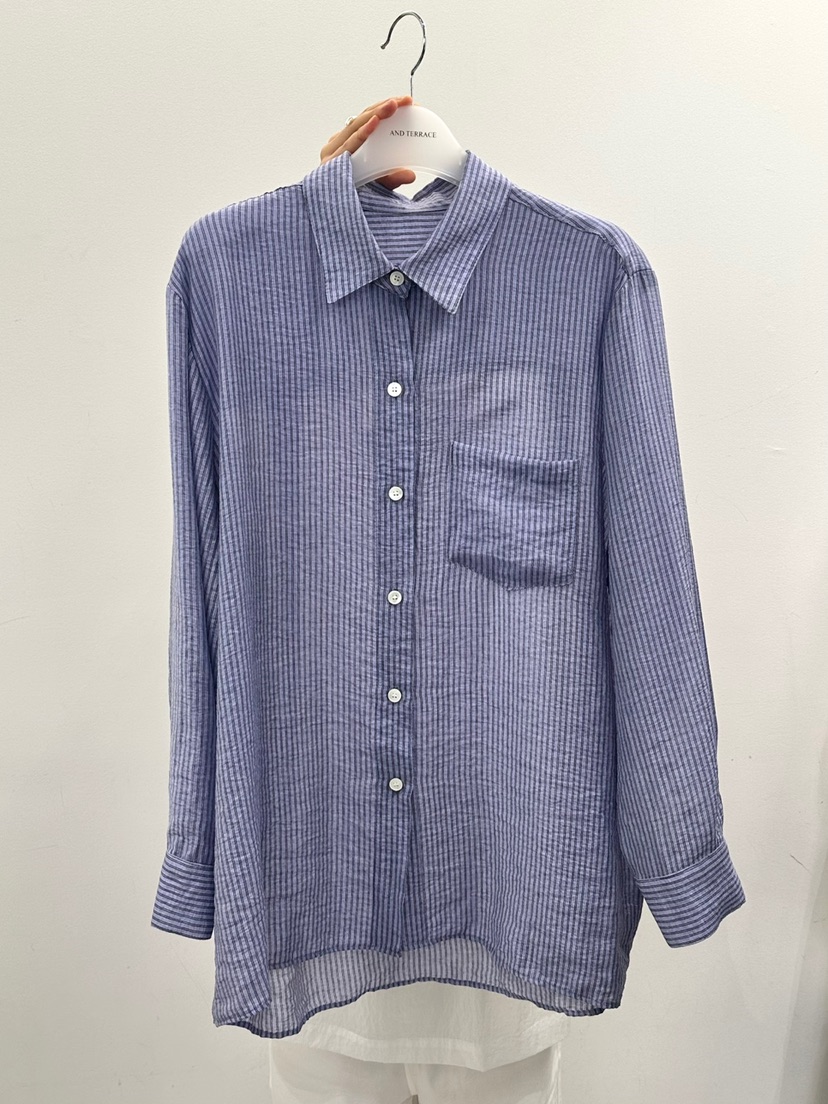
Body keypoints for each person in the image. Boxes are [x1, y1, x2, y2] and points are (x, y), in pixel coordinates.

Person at [266, 95, 567, 1104]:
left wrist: (674, 845)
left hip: (511, 935)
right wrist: (203, 852)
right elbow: (206, 594)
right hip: (317, 933)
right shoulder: (233, 282)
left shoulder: (583, 282)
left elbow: (649, 579)